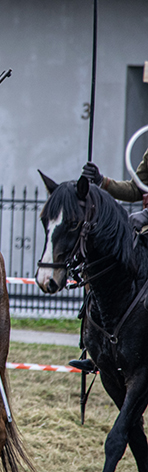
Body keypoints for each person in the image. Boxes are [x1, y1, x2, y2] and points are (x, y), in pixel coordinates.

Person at [67, 153, 148, 373]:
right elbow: (136, 188)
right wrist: (102, 181)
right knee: (103, 274)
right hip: (145, 235)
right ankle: (98, 350)